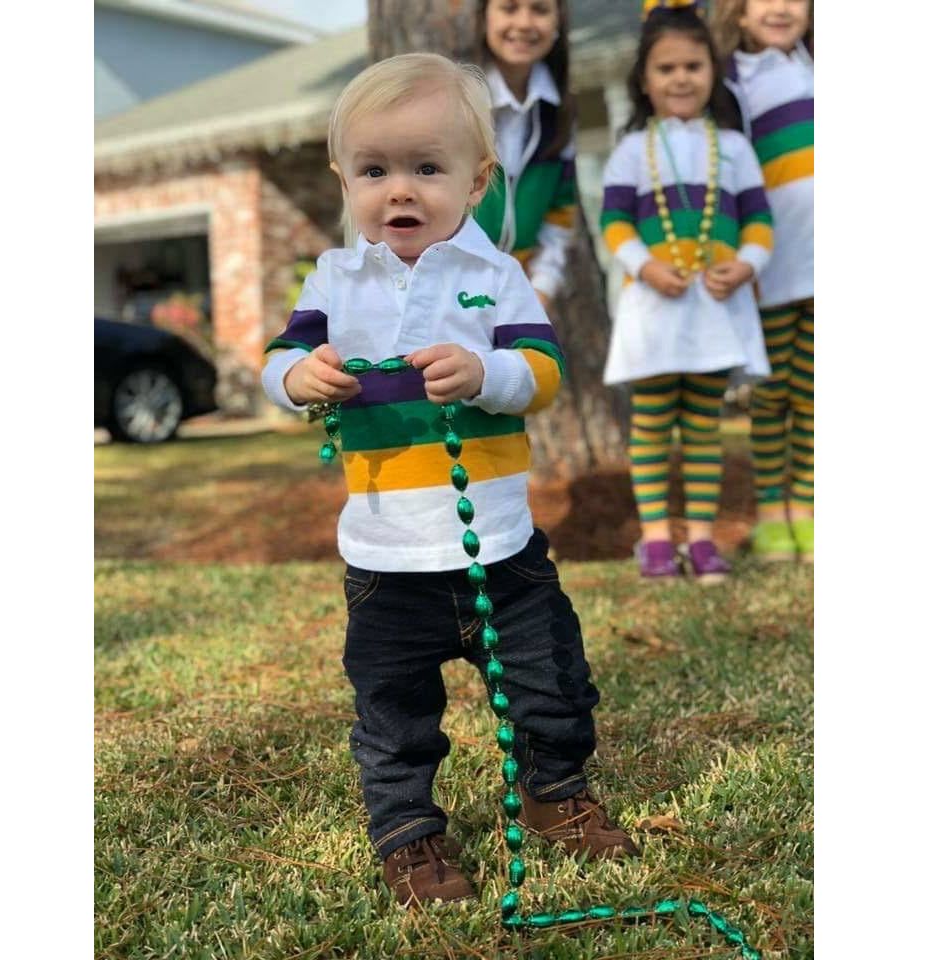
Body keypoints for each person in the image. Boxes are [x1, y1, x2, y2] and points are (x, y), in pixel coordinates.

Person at [261, 52, 640, 909]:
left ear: (476, 182)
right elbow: (280, 358)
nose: (400, 190)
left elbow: (541, 372)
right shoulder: (333, 278)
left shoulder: (494, 277)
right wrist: (295, 378)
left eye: (426, 169)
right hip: (386, 558)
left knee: (551, 680)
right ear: (343, 178)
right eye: (375, 170)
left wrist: (484, 372)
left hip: (499, 548)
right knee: (393, 715)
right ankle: (409, 836)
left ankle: (555, 793)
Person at [599, 1, 773, 583]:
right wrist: (643, 266)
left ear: (712, 73)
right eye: (666, 68)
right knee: (650, 422)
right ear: (644, 81)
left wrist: (746, 265)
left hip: (715, 309)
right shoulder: (630, 151)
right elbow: (616, 223)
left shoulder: (736, 149)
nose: (680, 78)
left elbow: (759, 223)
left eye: (693, 67)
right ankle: (653, 538)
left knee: (702, 424)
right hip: (654, 308)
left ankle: (700, 539)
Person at [712, 0, 813, 563]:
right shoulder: (732, 83)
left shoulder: (816, 65)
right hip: (772, 268)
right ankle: (773, 511)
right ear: (740, 13)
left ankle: (810, 506)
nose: (780, 7)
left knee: (818, 395)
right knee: (772, 395)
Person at [472, 0, 578, 312]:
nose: (524, 22)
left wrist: (540, 291)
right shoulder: (457, 101)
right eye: (509, 7)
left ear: (558, 21)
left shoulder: (560, 112)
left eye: (540, 9)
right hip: (448, 291)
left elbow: (560, 215)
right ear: (484, 17)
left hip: (518, 296)